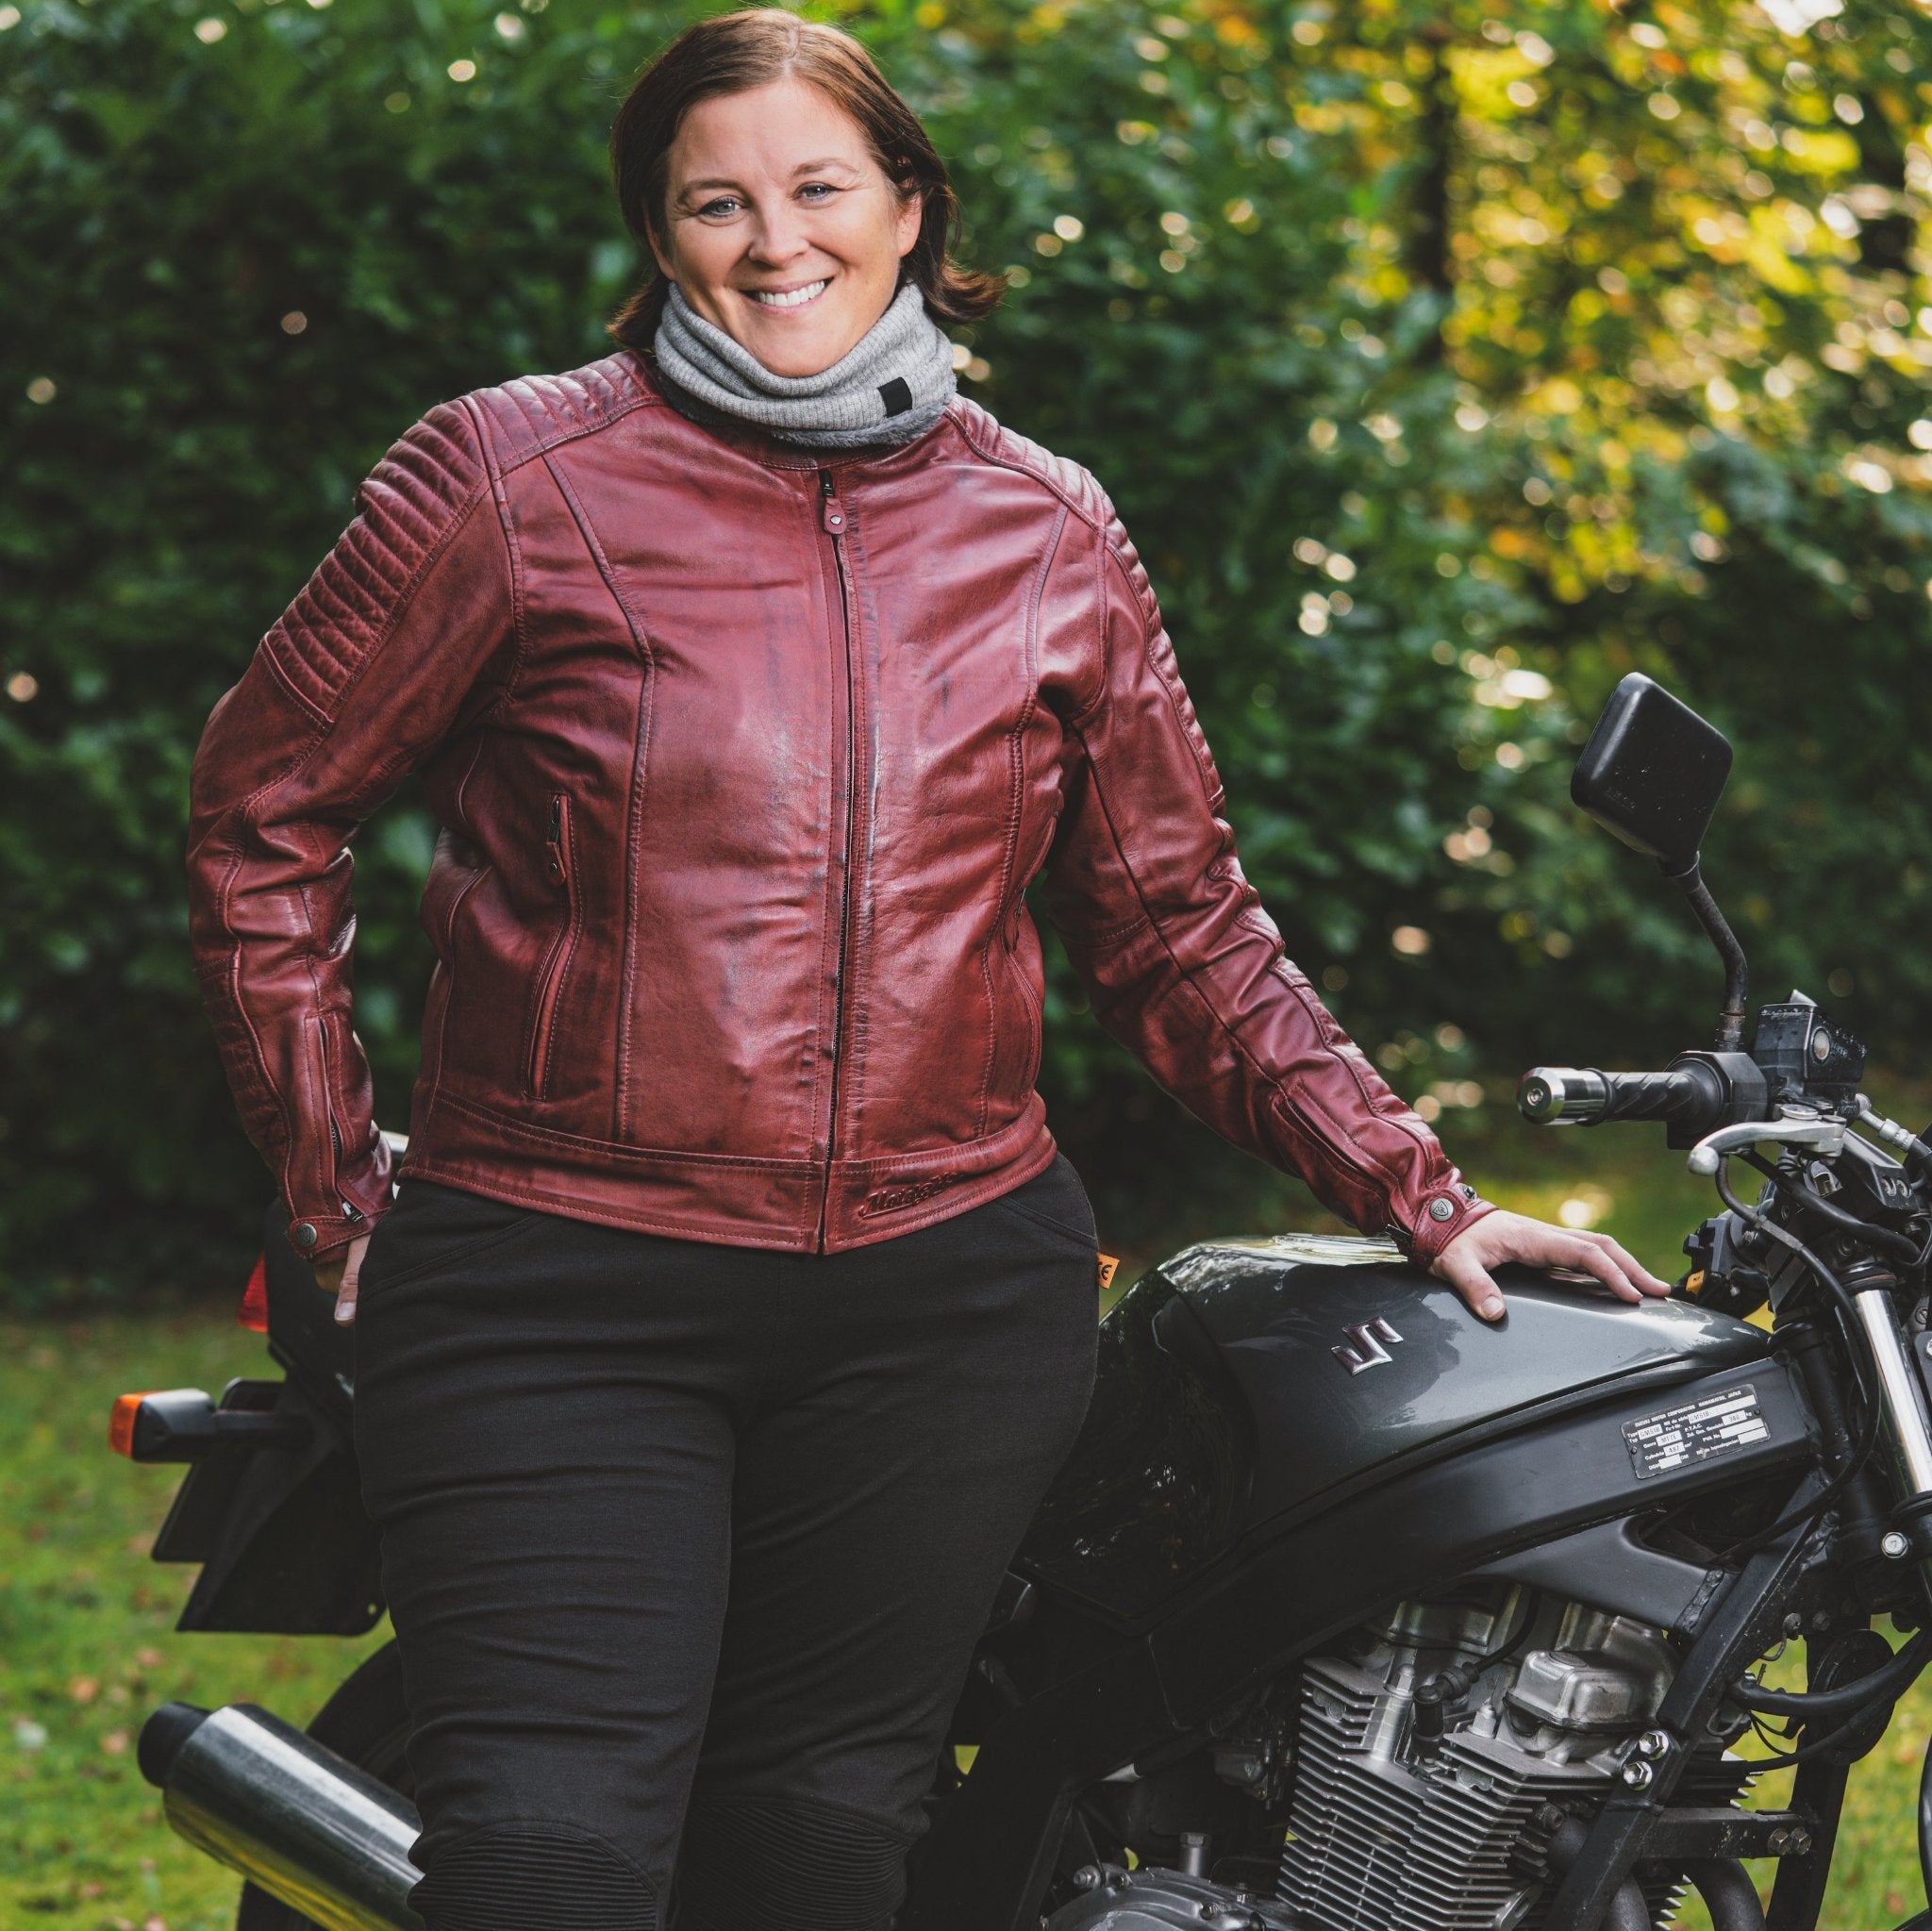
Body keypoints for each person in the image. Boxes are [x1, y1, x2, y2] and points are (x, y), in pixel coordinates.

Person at [184, 11, 1669, 1928]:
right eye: (714, 200)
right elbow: (257, 815)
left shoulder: (1044, 529)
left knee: (821, 1842)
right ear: (658, 232)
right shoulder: (507, 480)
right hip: (563, 1277)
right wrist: (332, 1182)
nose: (771, 239)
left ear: (906, 210)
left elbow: (1176, 924)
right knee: (554, 1852)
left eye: (817, 187)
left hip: (942, 1304)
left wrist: (1421, 1186)